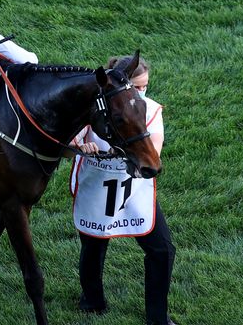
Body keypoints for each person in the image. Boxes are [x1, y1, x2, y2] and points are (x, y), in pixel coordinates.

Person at [69, 56, 177, 325]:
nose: (141, 93)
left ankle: (158, 318)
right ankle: (92, 300)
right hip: (97, 185)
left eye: (145, 87)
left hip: (132, 190)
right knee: (94, 243)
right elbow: (71, 138)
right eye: (137, 87)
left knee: (162, 249)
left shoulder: (150, 110)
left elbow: (154, 155)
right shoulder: (94, 107)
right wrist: (80, 144)